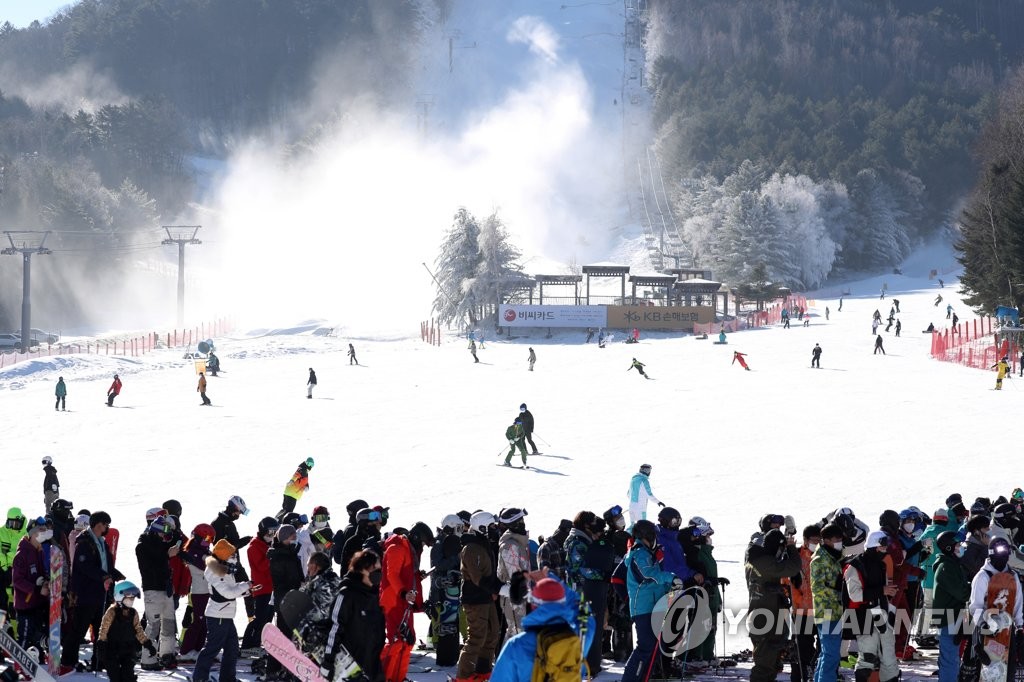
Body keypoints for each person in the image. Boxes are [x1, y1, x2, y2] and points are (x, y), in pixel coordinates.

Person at [490, 574, 596, 682]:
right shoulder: (580, 637)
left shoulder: (516, 645)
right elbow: (584, 610)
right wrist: (554, 579)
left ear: (534, 605)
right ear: (563, 603)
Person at [62, 511, 122, 674]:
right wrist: (104, 576)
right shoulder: (84, 542)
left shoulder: (102, 542)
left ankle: (98, 661)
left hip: (101, 594)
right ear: (96, 524)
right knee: (79, 629)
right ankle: (67, 661)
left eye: (107, 525)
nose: (106, 528)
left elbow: (105, 564)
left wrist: (114, 574)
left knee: (101, 630)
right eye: (104, 524)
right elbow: (85, 566)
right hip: (86, 593)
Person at [621, 520, 677, 682]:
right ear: (646, 536)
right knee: (646, 647)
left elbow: (654, 583)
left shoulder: (647, 553)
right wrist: (671, 578)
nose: (655, 540)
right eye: (653, 536)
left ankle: (643, 678)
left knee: (652, 649)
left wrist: (669, 589)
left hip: (653, 606)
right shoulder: (639, 554)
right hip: (644, 608)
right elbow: (649, 574)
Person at [321, 550, 385, 682]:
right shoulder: (346, 594)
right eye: (375, 570)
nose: (378, 574)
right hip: (350, 667)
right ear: (362, 570)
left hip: (372, 666)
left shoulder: (374, 596)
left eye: (380, 570)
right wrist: (328, 661)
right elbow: (334, 628)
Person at [193, 540, 251, 682]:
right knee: (212, 648)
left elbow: (231, 590)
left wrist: (246, 590)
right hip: (218, 616)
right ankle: (200, 678)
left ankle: (227, 678)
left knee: (232, 649)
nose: (235, 557)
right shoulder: (215, 572)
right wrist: (245, 586)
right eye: (232, 554)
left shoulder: (225, 569)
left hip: (225, 615)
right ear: (224, 555)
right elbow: (227, 593)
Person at [747, 529, 801, 682]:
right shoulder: (765, 562)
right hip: (764, 617)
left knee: (770, 660)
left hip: (765, 614)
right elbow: (793, 567)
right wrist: (791, 547)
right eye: (781, 548)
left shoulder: (757, 559)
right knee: (765, 662)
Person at [845, 531, 899, 682]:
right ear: (874, 547)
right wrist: (882, 591)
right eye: (882, 547)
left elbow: (878, 590)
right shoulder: (855, 566)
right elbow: (854, 595)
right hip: (863, 617)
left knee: (889, 657)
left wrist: (887, 593)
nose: (885, 550)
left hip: (880, 613)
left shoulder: (880, 564)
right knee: (867, 658)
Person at [968, 538, 1023, 682]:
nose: (1003, 555)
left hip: (1007, 631)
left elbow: (1018, 603)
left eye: (1006, 551)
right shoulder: (982, 576)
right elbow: (975, 606)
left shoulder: (1013, 576)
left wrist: (1020, 626)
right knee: (989, 668)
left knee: (1007, 669)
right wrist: (982, 625)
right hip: (987, 631)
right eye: (1000, 551)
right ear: (991, 553)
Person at [456, 511, 502, 682]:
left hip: (486, 597)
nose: (494, 529)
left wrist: (499, 587)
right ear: (481, 527)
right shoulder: (471, 548)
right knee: (477, 637)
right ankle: (464, 676)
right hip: (475, 598)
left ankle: (483, 671)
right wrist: (497, 589)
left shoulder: (485, 544)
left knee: (492, 633)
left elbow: (489, 575)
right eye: (491, 526)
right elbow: (478, 578)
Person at [136, 514, 180, 670]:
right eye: (163, 532)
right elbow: (149, 567)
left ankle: (167, 655)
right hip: (152, 589)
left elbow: (163, 562)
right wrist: (167, 555)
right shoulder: (142, 545)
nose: (165, 536)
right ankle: (148, 659)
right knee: (153, 626)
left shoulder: (161, 544)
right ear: (156, 531)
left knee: (168, 624)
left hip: (165, 588)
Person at [96, 581, 157, 682]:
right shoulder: (112, 612)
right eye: (129, 598)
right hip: (112, 650)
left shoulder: (133, 613)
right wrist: (101, 645)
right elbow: (104, 629)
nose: (131, 601)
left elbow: (138, 630)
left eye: (133, 599)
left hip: (127, 650)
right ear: (119, 597)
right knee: (115, 677)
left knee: (127, 676)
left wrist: (147, 644)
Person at [932, 531, 969, 682]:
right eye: (958, 545)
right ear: (949, 548)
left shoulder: (953, 564)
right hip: (949, 619)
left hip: (957, 617)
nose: (961, 547)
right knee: (949, 659)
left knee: (954, 658)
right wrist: (975, 588)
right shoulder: (946, 567)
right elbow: (962, 593)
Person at [809, 524, 844, 682]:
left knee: (827, 653)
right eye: (837, 539)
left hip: (835, 610)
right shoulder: (819, 559)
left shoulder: (834, 556)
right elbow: (817, 588)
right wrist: (838, 589)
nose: (840, 542)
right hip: (826, 612)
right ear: (827, 540)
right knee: (832, 654)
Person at [12, 517, 51, 651]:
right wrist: (36, 589)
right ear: (34, 533)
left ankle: (37, 662)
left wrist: (45, 581)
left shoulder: (39, 550)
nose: (45, 533)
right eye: (42, 530)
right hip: (25, 605)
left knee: (37, 637)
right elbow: (17, 580)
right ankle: (19, 666)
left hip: (38, 603)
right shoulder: (22, 554)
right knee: (25, 637)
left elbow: (38, 572)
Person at [180, 523, 217, 660]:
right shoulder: (193, 552)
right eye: (207, 538)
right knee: (197, 621)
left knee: (204, 623)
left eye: (211, 539)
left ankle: (197, 649)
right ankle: (186, 650)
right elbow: (204, 566)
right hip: (199, 592)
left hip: (207, 591)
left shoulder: (205, 552)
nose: (209, 542)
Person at [240, 517, 277, 654]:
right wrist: (270, 556)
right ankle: (248, 645)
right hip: (262, 588)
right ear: (262, 531)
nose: (272, 536)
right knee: (260, 618)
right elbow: (261, 567)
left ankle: (257, 642)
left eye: (275, 532)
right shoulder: (254, 546)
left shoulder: (269, 544)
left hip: (271, 587)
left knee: (267, 618)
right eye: (270, 532)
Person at [789, 525, 820, 682]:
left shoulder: (823, 556)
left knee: (824, 648)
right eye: (814, 540)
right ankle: (801, 675)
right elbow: (787, 584)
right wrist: (798, 601)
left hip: (823, 611)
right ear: (806, 540)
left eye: (819, 540)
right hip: (802, 612)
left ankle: (819, 672)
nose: (817, 543)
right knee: (802, 649)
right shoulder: (796, 556)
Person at [496, 509, 530, 644]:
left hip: (520, 595)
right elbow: (514, 574)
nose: (523, 523)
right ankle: (511, 664)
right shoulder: (510, 545)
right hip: (514, 597)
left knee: (517, 633)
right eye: (520, 521)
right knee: (516, 633)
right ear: (514, 523)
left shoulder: (519, 543)